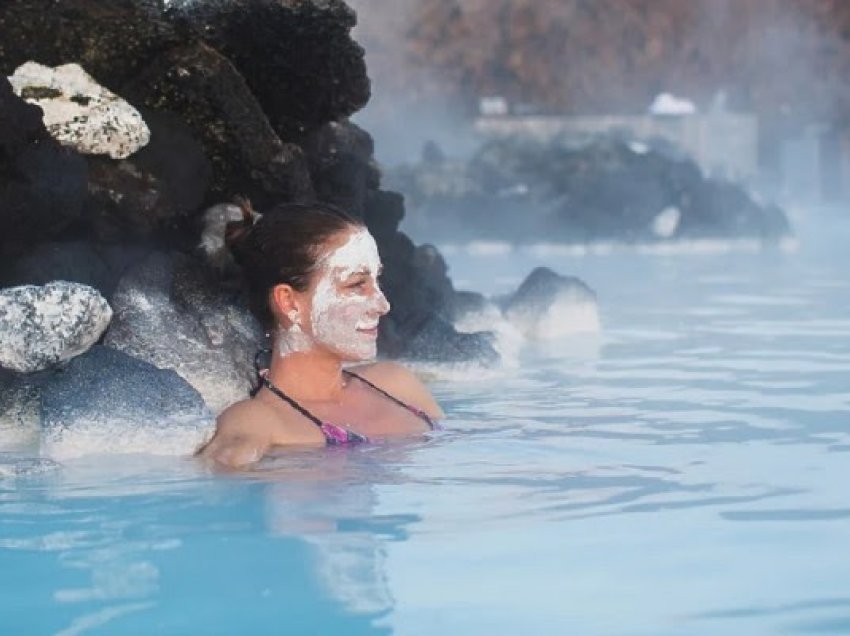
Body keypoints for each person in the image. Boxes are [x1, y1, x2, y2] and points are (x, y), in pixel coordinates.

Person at [197, 201, 443, 468]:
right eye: (357, 284)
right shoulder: (258, 423)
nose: (383, 305)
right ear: (289, 303)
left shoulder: (398, 385)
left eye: (377, 280)